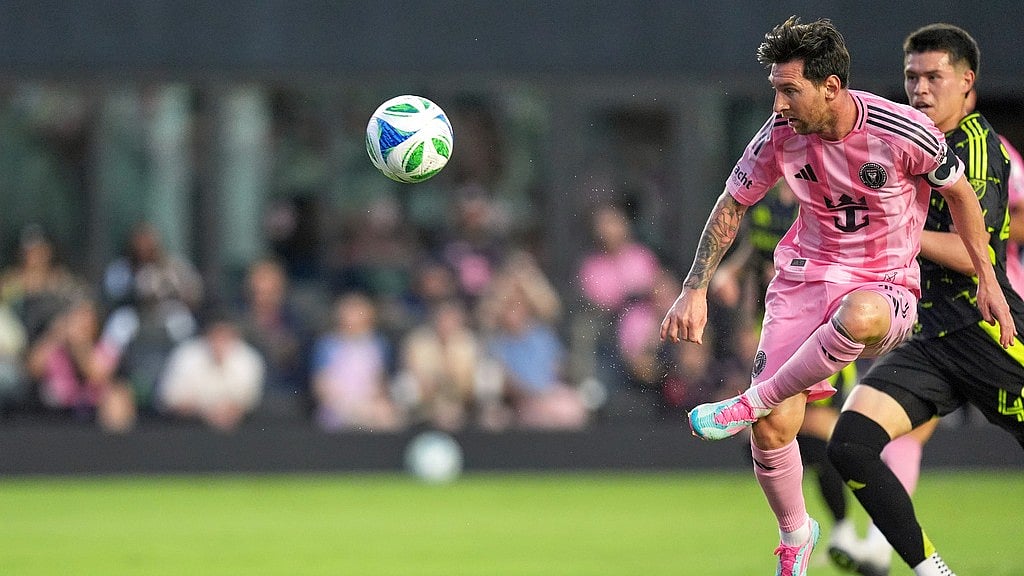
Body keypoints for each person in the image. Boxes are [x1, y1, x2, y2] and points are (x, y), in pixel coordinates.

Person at [658, 17, 1014, 576]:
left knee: (859, 315)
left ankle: (751, 397)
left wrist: (988, 279)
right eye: (774, 88)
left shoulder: (904, 131)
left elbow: (964, 198)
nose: (777, 103)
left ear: (830, 86)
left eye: (788, 89)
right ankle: (796, 535)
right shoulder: (778, 133)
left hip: (884, 287)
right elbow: (732, 205)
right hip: (803, 281)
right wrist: (694, 287)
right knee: (774, 429)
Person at [825, 24, 1024, 576]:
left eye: (935, 77)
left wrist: (888, 233)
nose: (920, 89)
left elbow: (971, 251)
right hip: (929, 339)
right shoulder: (905, 141)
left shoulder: (977, 147)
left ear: (967, 83)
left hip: (987, 331)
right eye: (912, 77)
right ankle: (931, 571)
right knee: (851, 444)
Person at [157, 309, 265, 432]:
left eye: (225, 336)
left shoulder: (248, 359)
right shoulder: (186, 355)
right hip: (188, 430)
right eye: (216, 335)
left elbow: (249, 401)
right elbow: (169, 400)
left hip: (238, 432)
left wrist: (225, 411)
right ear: (206, 335)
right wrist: (205, 411)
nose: (219, 342)